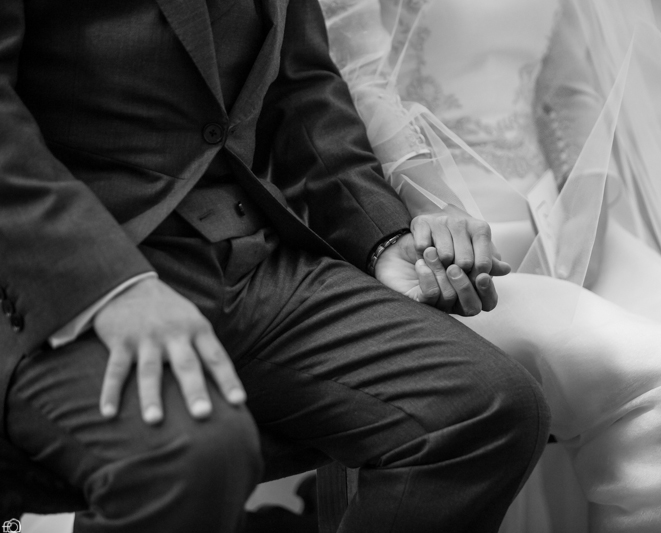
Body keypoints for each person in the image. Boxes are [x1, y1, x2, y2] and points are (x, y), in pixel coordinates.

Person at [0, 1, 552, 532]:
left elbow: (301, 86)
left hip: (253, 257)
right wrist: (110, 284)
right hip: (65, 266)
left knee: (486, 407)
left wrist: (381, 238)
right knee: (192, 458)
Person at [321, 0, 661, 531]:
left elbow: (568, 87)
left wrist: (585, 207)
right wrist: (440, 211)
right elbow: (358, 76)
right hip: (432, 234)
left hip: (557, 213)